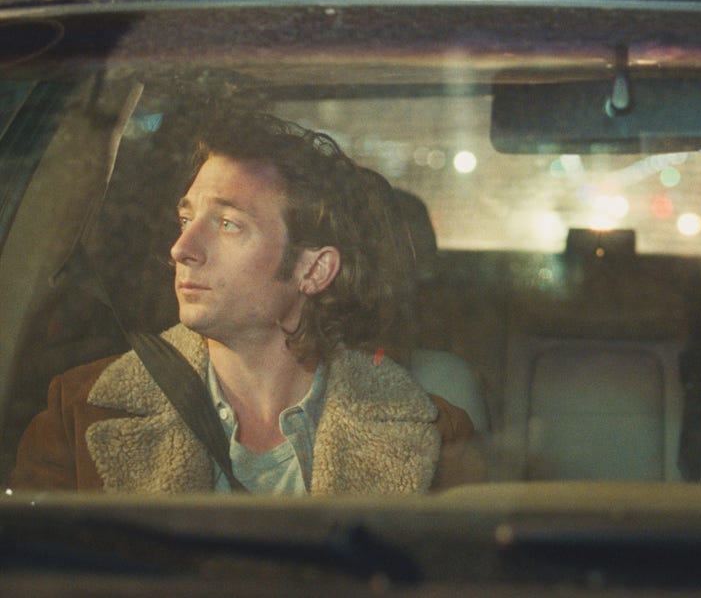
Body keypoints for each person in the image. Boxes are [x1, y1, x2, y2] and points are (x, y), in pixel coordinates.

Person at [10, 112, 475, 494]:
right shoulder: (80, 414)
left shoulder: (433, 438)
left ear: (313, 270)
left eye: (228, 224)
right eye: (186, 218)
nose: (181, 248)